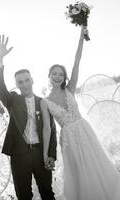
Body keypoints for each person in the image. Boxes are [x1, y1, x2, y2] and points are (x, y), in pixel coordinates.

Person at [40, 27, 120, 200]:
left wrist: (81, 39)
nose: (57, 76)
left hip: (84, 131)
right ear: (49, 76)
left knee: (94, 164)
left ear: (65, 77)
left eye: (61, 74)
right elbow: (47, 129)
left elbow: (77, 61)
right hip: (68, 138)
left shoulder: (70, 89)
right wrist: (46, 154)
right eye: (54, 73)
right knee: (79, 170)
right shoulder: (44, 102)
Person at [0, 35, 57, 200]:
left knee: (47, 193)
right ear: (17, 85)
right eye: (20, 82)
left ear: (32, 80)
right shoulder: (12, 100)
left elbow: (52, 131)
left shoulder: (44, 103)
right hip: (19, 156)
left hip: (40, 153)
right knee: (23, 196)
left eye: (27, 80)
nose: (24, 84)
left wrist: (51, 154)